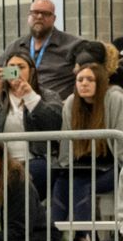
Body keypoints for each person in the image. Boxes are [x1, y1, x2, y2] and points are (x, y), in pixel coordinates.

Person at [0, 53, 63, 197]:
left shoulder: (47, 95)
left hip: (37, 159)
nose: (16, 71)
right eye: (11, 68)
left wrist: (29, 96)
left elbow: (54, 123)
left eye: (21, 67)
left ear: (31, 71)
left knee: (27, 176)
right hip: (3, 161)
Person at [49, 62, 123, 225]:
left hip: (112, 165)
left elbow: (120, 140)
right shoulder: (70, 102)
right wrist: (65, 166)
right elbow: (66, 142)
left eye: (90, 79)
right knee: (61, 184)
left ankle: (85, 239)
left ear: (101, 82)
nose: (84, 83)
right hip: (83, 165)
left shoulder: (115, 98)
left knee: (80, 185)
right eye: (80, 79)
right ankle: (53, 240)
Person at [0, 0, 83, 99]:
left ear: (54, 19)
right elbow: (0, 74)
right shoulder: (16, 47)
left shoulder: (72, 45)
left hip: (54, 107)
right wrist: (19, 72)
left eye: (45, 14)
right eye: (35, 12)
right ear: (29, 16)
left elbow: (90, 73)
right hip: (20, 106)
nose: (39, 16)